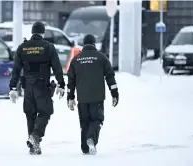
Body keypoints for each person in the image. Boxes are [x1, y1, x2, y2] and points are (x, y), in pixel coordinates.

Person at [8, 21, 65, 155]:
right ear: (43, 32)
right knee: (45, 112)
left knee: (30, 115)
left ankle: (34, 146)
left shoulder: (22, 47)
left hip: (27, 86)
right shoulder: (48, 47)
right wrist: (61, 84)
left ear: (32, 32)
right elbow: (57, 67)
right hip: (41, 86)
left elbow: (16, 70)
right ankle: (35, 137)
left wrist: (12, 87)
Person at [67, 34, 119, 155]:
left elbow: (71, 81)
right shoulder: (101, 58)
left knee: (84, 121)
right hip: (97, 97)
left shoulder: (76, 59)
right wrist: (114, 93)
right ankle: (91, 139)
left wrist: (70, 97)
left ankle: (85, 148)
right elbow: (110, 76)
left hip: (82, 98)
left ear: (83, 45)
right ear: (94, 44)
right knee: (97, 119)